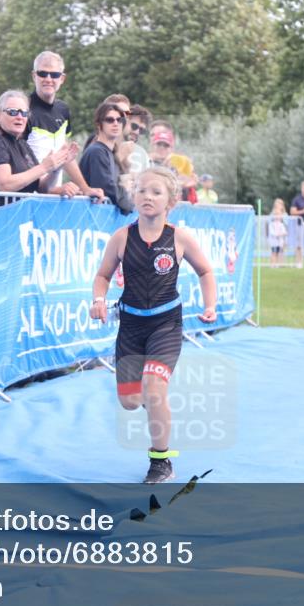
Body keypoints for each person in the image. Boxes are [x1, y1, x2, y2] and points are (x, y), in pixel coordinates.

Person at [90, 166, 218, 484]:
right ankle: (153, 398)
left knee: (155, 388)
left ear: (170, 202)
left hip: (166, 325)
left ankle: (161, 462)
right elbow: (103, 275)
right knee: (131, 402)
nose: (148, 196)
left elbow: (205, 271)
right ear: (134, 196)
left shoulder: (179, 238)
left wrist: (210, 305)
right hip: (131, 326)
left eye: (156, 192)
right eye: (142, 190)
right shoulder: (121, 238)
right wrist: (98, 300)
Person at [0, 89, 79, 200]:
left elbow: (41, 188)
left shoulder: (23, 144)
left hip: (21, 215)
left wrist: (56, 168)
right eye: (12, 112)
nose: (20, 117)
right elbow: (5, 184)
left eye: (24, 113)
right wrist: (44, 167)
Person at [26, 51, 103, 198]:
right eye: (43, 73)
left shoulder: (63, 110)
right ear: (34, 76)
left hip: (53, 199)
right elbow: (19, 159)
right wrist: (53, 189)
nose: (48, 79)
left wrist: (85, 188)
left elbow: (66, 156)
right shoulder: (23, 110)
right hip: (29, 198)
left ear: (62, 78)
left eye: (54, 74)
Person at [79, 102, 133, 213]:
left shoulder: (109, 152)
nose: (115, 123)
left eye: (119, 120)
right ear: (99, 124)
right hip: (93, 218)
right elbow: (107, 189)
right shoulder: (97, 151)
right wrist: (132, 202)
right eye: (109, 120)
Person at [149, 121, 197, 203]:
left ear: (172, 146)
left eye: (166, 145)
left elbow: (190, 188)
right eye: (159, 144)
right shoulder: (144, 160)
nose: (162, 147)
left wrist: (186, 186)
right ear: (153, 144)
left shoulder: (181, 163)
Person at [268, 198, 288, 268]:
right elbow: (269, 225)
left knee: (281, 251)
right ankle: (273, 264)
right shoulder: (272, 215)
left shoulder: (284, 215)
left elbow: (286, 226)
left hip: (282, 238)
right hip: (274, 239)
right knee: (274, 252)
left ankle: (280, 264)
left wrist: (283, 234)